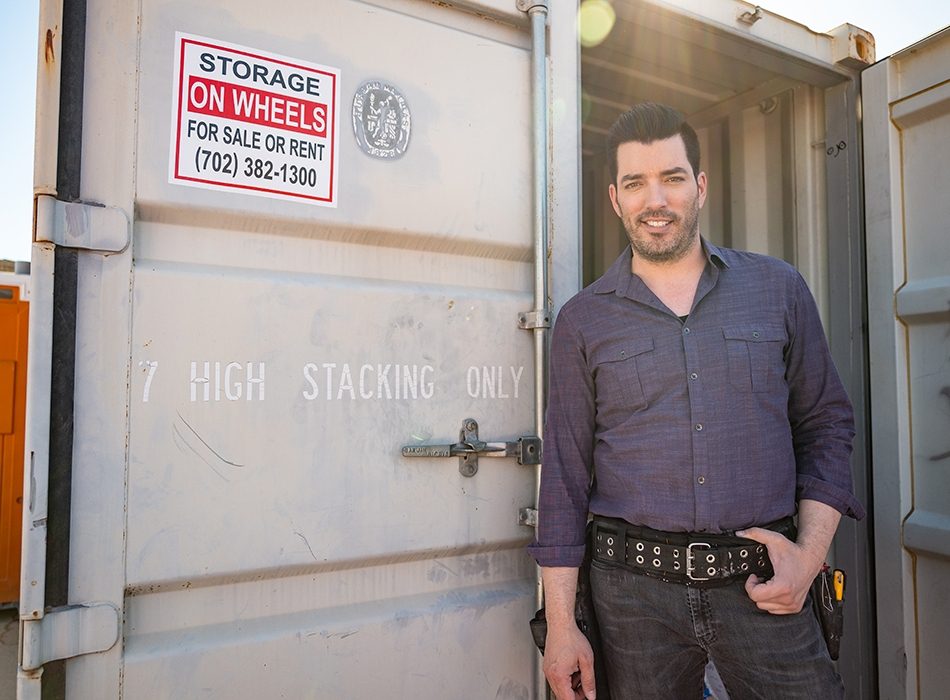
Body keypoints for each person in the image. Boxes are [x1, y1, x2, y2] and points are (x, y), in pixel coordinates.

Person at [528, 102, 864, 700]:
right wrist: (561, 625)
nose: (655, 200)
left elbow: (827, 425)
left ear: (701, 186)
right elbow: (563, 478)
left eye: (672, 178)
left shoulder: (777, 288)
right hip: (632, 601)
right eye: (636, 183)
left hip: (763, 585)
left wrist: (809, 557)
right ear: (615, 198)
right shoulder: (583, 322)